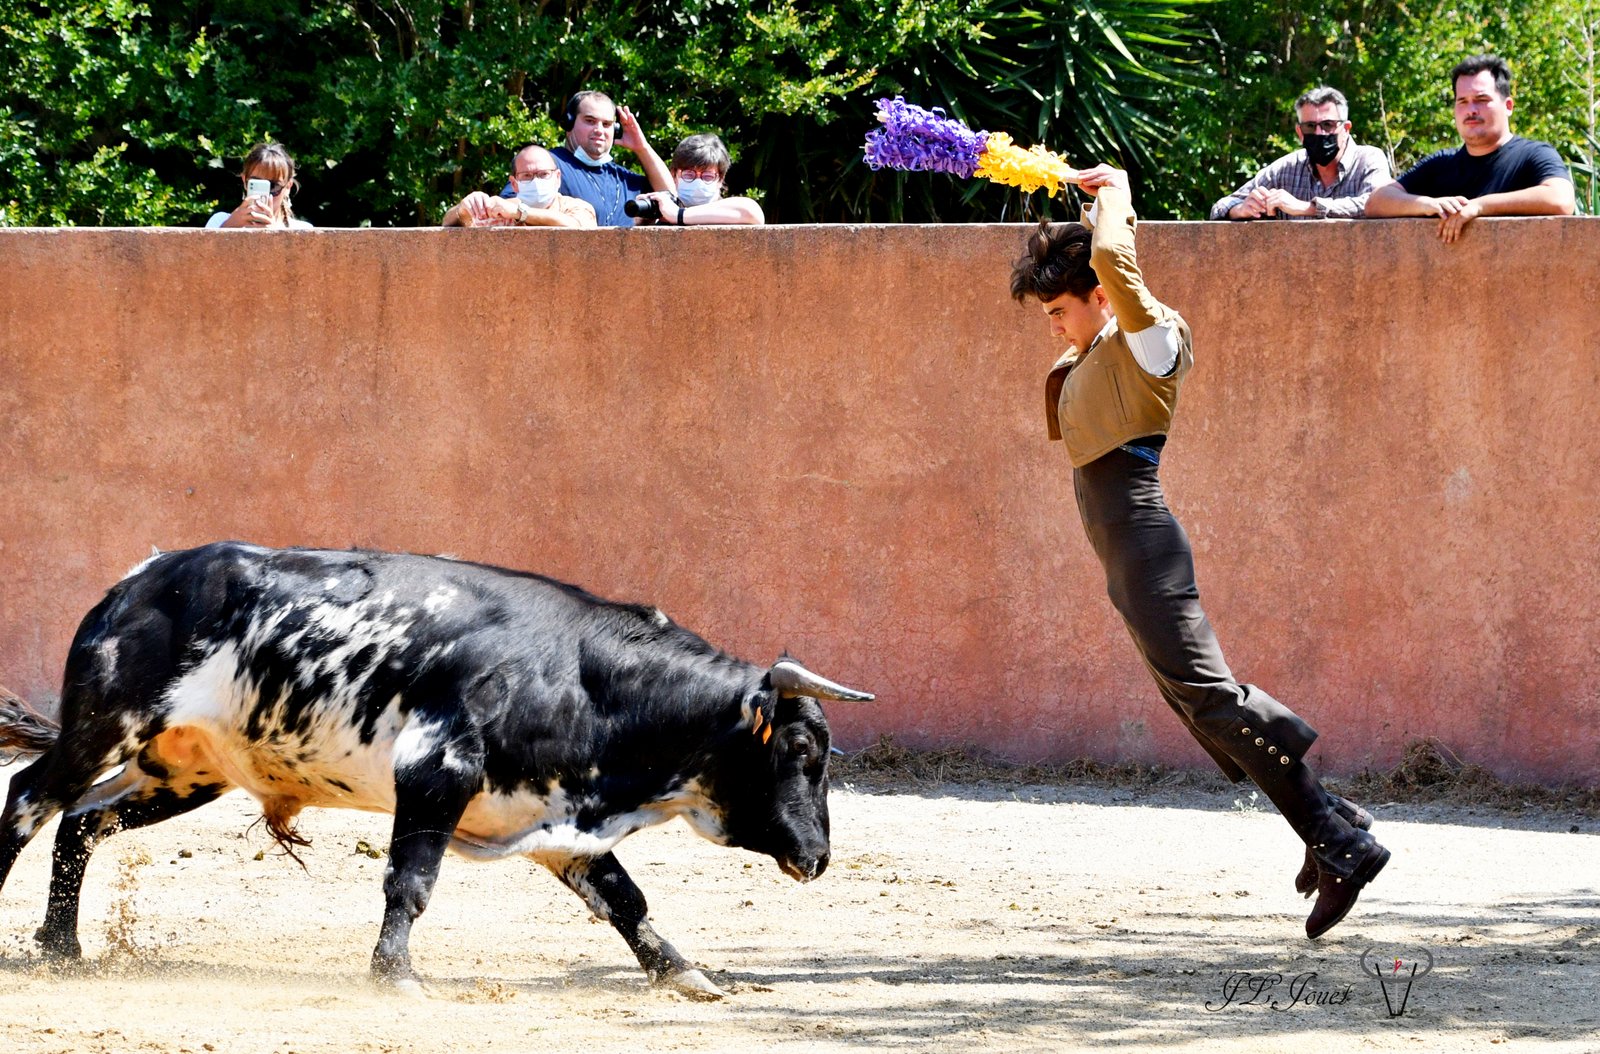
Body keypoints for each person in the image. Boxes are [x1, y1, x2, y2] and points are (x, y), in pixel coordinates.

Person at [1010, 164, 1388, 940]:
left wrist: (1111, 191)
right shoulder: (1093, 354)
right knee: (1196, 704)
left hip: (1145, 542)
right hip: (1122, 552)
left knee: (1211, 697)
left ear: (1100, 297)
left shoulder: (1150, 340)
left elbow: (1115, 260)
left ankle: (1338, 839)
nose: (1051, 324)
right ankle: (1331, 818)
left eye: (1057, 308)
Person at [1365, 55, 1575, 242]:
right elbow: (1377, 202)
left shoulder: (1534, 155)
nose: (1471, 110)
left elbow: (1561, 199)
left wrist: (1479, 206)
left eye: (1481, 100)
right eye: (1462, 102)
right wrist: (1427, 205)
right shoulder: (1441, 163)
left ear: (1508, 106)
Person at [1209, 87, 1391, 220]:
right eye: (1310, 126)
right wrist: (1241, 209)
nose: (1319, 133)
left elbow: (1375, 205)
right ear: (1300, 132)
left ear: (1346, 128)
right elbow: (1221, 206)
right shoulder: (1286, 168)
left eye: (1328, 125)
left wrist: (1306, 208)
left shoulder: (1369, 160)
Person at [527, 90, 673, 227]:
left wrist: (642, 148)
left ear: (615, 130)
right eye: (590, 121)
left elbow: (672, 201)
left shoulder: (624, 179)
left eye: (607, 124)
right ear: (568, 123)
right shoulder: (549, 165)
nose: (599, 130)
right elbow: (512, 205)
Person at [629, 133, 765, 226]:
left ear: (720, 179)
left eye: (707, 176)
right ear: (674, 175)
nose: (698, 181)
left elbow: (752, 211)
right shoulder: (663, 215)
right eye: (689, 175)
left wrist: (678, 215)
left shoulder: (731, 213)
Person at [444, 145, 596, 228]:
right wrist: (463, 210)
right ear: (514, 184)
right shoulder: (500, 211)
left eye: (543, 174)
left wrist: (520, 213)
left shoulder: (577, 207)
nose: (536, 181)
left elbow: (577, 228)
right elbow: (450, 225)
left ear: (557, 178)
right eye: (527, 176)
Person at [206, 143, 312, 229]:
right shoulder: (219, 222)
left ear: (288, 187)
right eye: (256, 183)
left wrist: (276, 236)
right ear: (244, 181)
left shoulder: (302, 230)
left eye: (273, 186)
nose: (265, 194)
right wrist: (228, 227)